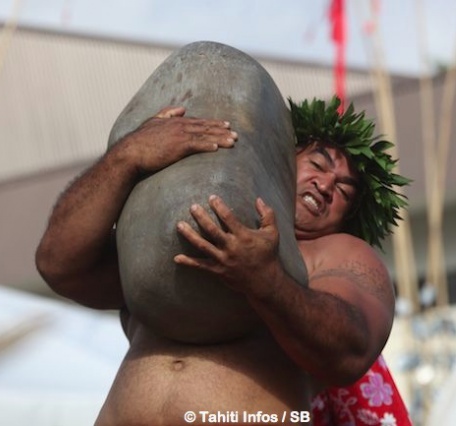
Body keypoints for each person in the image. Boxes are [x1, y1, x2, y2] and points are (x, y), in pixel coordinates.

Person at [35, 96, 409, 425]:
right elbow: (60, 266)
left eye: (343, 190)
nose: (325, 185)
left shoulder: (338, 254)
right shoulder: (182, 222)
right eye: (318, 164)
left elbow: (349, 352)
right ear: (281, 160)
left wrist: (267, 280)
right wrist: (126, 156)